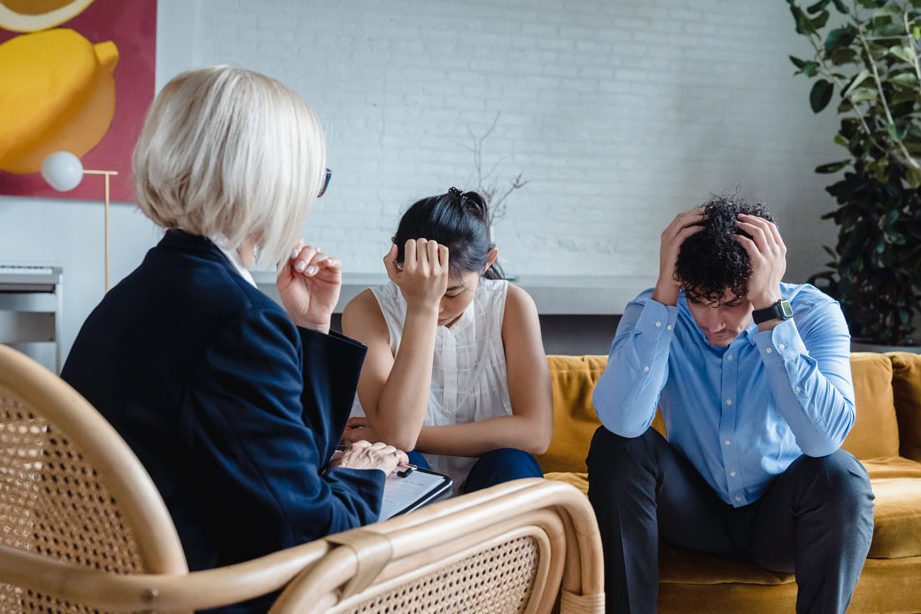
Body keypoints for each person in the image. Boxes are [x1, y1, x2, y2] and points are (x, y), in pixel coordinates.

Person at [61, 66, 405, 610]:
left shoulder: (136, 293)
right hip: (206, 596)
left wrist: (311, 330)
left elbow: (279, 473)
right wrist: (367, 476)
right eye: (316, 178)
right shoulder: (236, 322)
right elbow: (308, 533)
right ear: (272, 182)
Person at [587, 195, 875, 614]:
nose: (712, 321)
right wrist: (667, 295)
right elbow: (623, 421)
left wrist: (770, 312)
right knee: (617, 447)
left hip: (779, 522)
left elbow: (823, 439)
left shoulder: (814, 314)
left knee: (842, 476)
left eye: (732, 303)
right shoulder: (656, 309)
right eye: (700, 300)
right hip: (692, 512)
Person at [341, 187, 552, 493]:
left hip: (491, 477)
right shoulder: (366, 310)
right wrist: (420, 308)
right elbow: (400, 438)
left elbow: (537, 433)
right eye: (425, 288)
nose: (438, 305)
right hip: (406, 469)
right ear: (396, 260)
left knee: (514, 463)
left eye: (452, 292)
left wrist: (408, 433)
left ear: (488, 261)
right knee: (395, 460)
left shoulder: (512, 305)